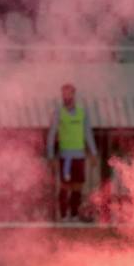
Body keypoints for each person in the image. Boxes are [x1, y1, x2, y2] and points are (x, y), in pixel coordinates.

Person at [45, 83, 98, 222]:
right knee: (65, 185)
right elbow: (51, 135)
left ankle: (74, 214)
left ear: (74, 94)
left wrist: (93, 152)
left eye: (69, 93)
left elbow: (88, 133)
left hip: (79, 155)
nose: (66, 96)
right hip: (65, 156)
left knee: (78, 186)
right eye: (64, 94)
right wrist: (51, 156)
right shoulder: (58, 113)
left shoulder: (82, 112)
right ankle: (63, 215)